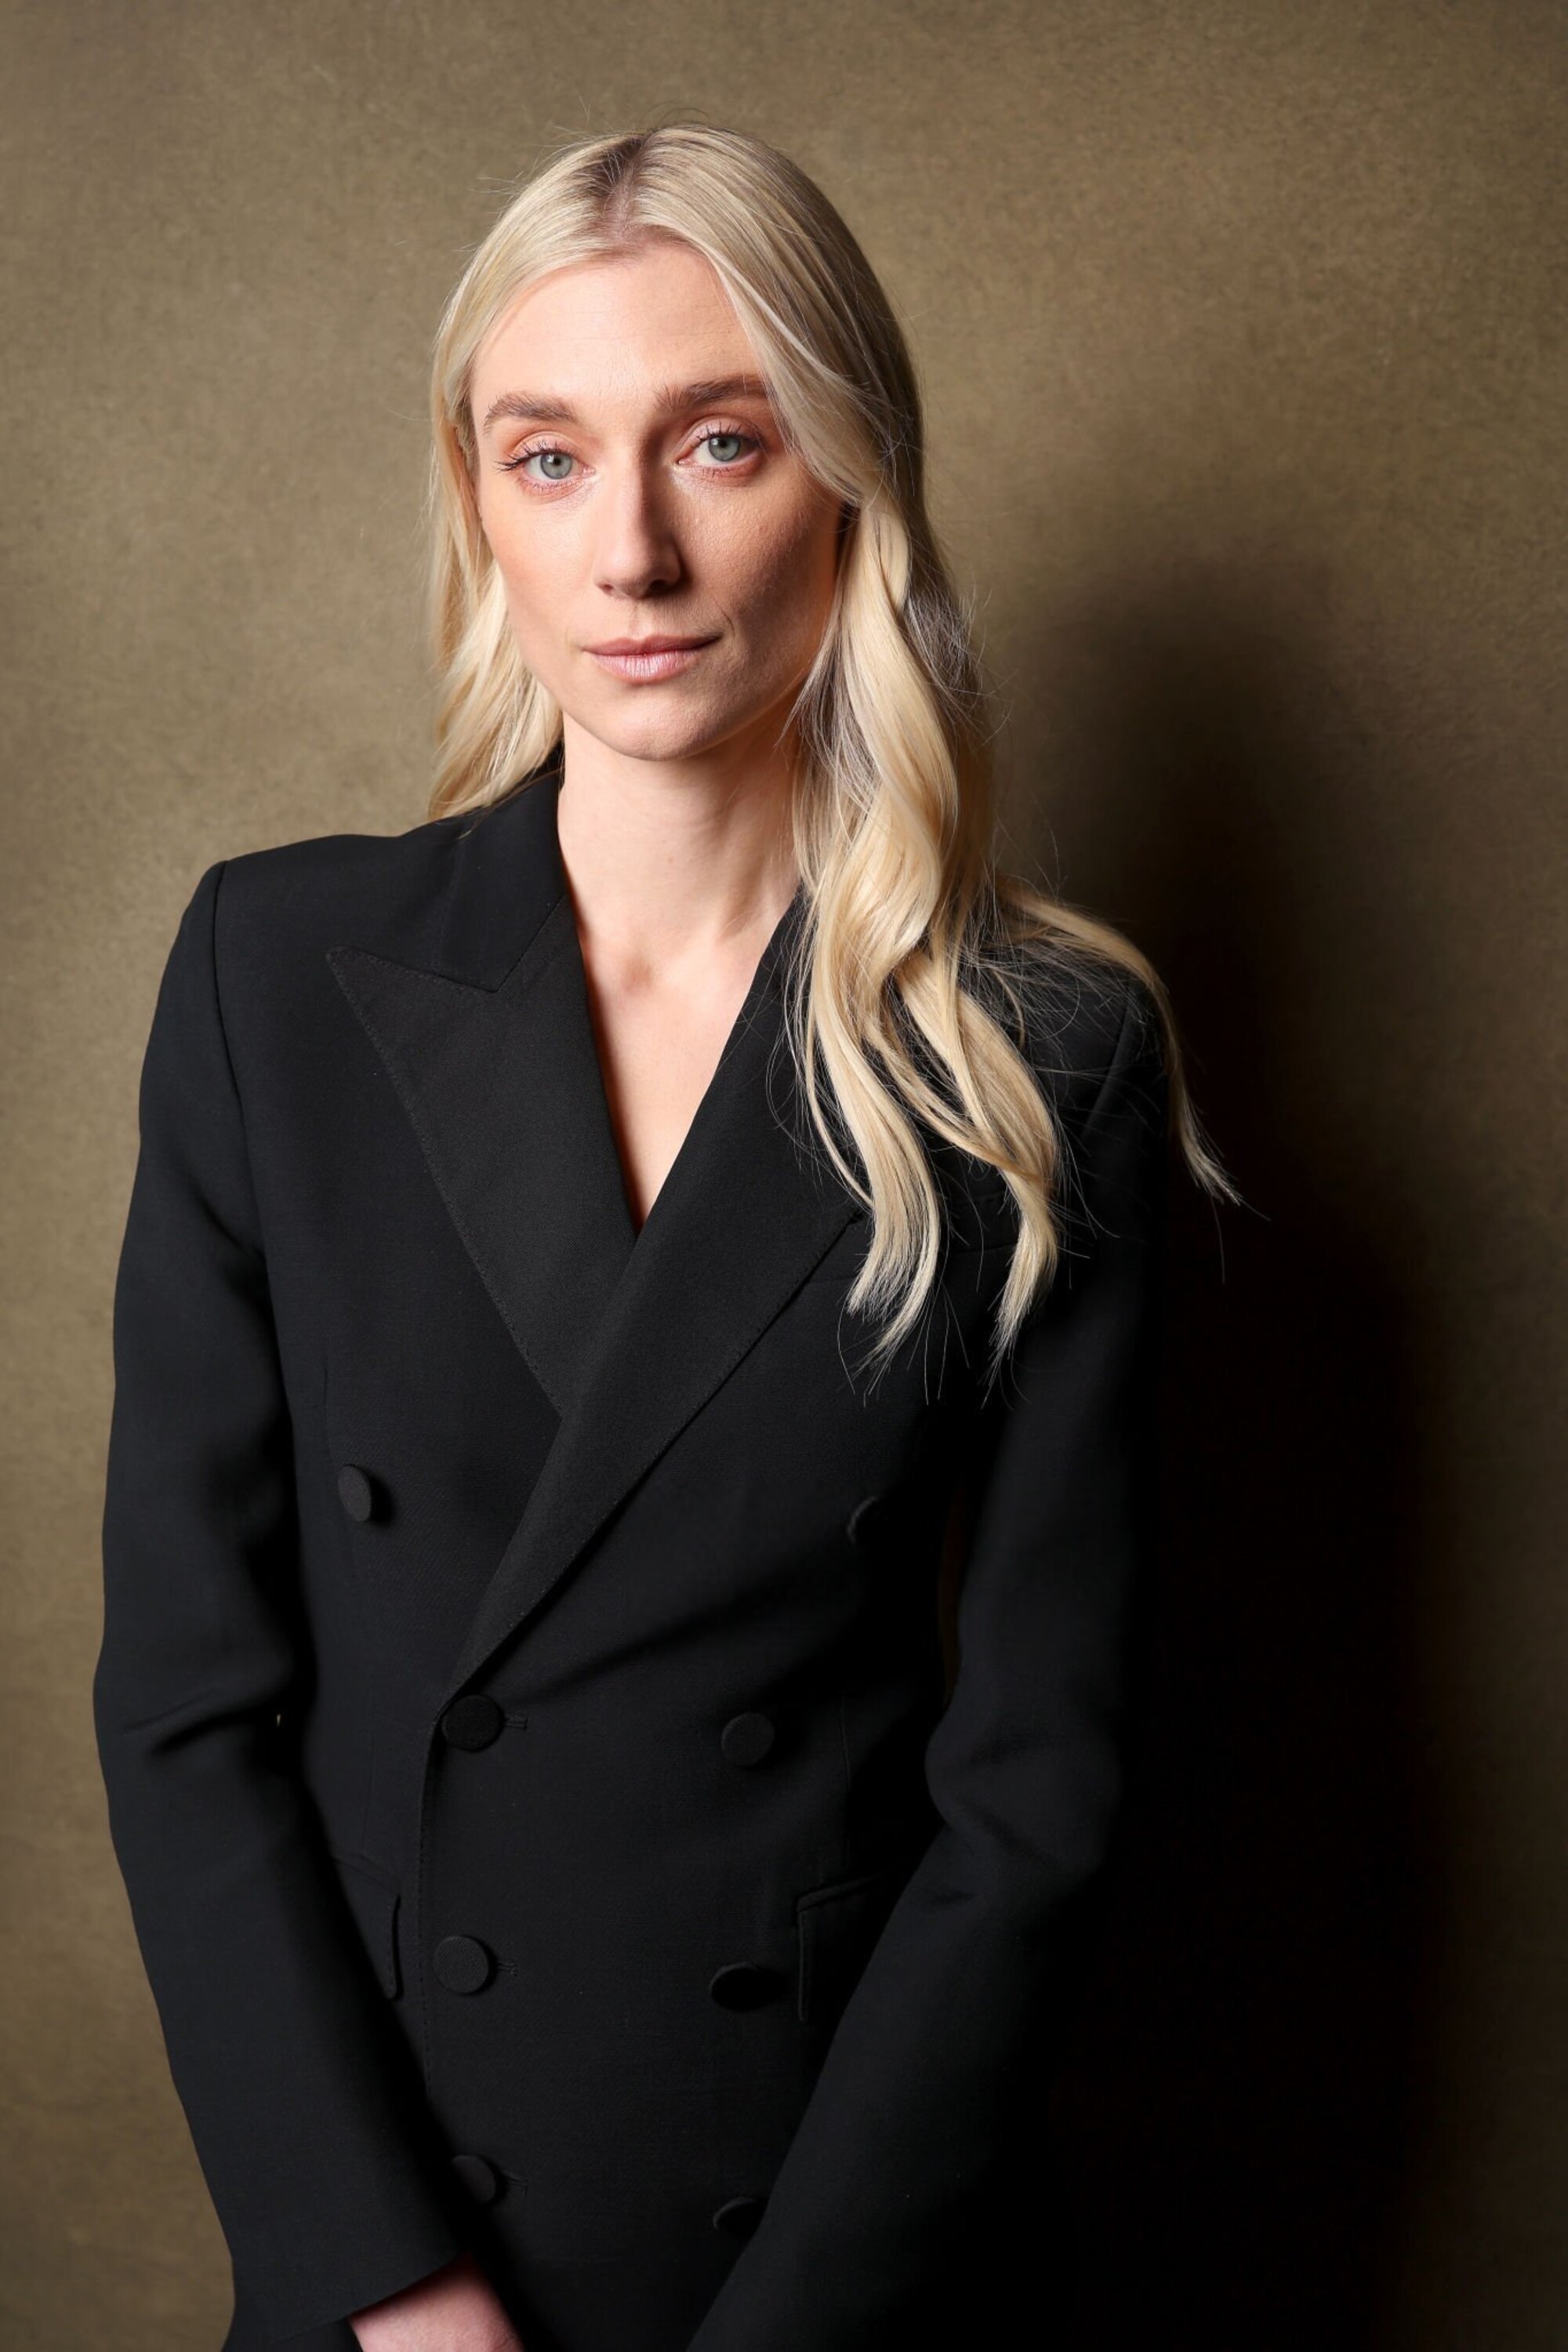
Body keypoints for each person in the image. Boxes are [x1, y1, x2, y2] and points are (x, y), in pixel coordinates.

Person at [93, 122, 1233, 2352]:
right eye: (548, 456)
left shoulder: (1040, 1052)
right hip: (391, 2258)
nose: (629, 550)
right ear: (480, 504)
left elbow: (1036, 1801)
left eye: (721, 442)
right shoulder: (274, 978)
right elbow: (186, 1710)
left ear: (851, 483)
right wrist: (391, 2290)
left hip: (834, 2257)